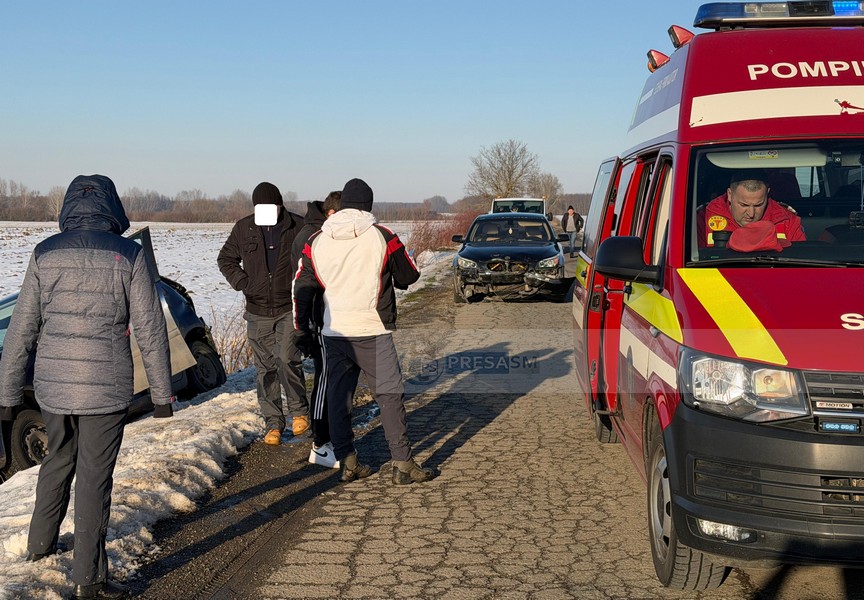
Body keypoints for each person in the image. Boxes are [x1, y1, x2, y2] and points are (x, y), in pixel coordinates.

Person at [0, 175, 174, 600]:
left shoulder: (45, 254)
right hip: (105, 388)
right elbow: (151, 329)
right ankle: (89, 579)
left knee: (57, 461)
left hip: (54, 388)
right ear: (112, 206)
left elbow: (22, 328)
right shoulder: (129, 254)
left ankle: (39, 550)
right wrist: (162, 395)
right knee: (95, 478)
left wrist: (6, 395)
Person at [292, 178, 436, 485]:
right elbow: (409, 274)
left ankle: (348, 461)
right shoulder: (382, 236)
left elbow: (302, 287)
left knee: (338, 397)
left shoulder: (317, 239)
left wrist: (301, 328)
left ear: (342, 206)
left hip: (334, 332)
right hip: (373, 330)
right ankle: (402, 463)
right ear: (368, 205)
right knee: (389, 395)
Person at [217, 182, 309, 445]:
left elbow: (313, 259)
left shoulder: (298, 227)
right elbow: (226, 259)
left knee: (287, 358)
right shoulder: (243, 228)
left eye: (271, 206)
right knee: (265, 368)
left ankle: (299, 412)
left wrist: (302, 287)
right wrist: (243, 283)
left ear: (280, 205)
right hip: (257, 310)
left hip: (288, 307)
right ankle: (273, 424)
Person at [290, 191, 342, 469]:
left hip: (332, 318)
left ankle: (333, 439)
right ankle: (321, 444)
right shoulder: (312, 237)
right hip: (321, 321)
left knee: (335, 381)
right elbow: (302, 284)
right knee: (325, 380)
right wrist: (304, 328)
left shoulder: (317, 232)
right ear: (332, 214)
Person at [697, 171, 806, 247]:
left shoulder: (787, 221)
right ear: (730, 194)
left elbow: (801, 264)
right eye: (744, 205)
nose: (751, 213)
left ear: (767, 194)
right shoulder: (703, 220)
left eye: (758, 205)